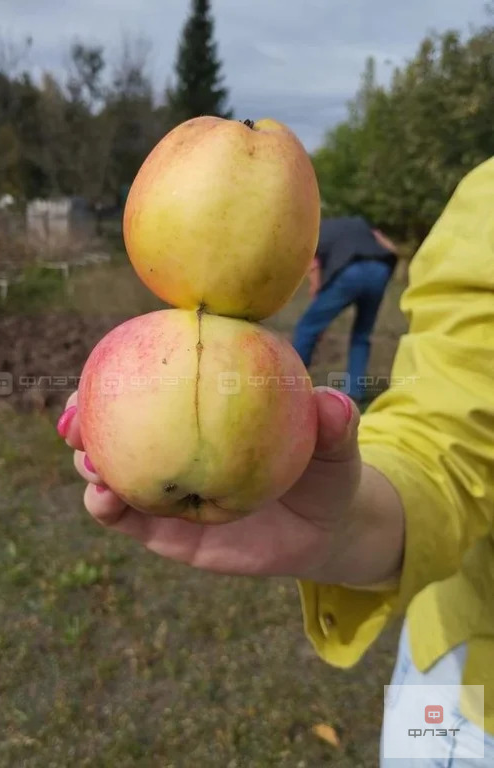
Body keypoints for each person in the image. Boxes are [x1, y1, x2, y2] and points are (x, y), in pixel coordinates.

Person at [57, 157, 494, 766]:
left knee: (315, 326)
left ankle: (316, 369)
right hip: (477, 703)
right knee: (355, 332)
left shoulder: (328, 232)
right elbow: (457, 438)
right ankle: (332, 375)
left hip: (466, 694)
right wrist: (345, 530)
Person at [292, 215, 398, 402]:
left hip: (350, 273)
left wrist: (317, 307)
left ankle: (292, 383)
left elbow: (314, 267)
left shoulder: (314, 232)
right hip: (380, 270)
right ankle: (355, 391)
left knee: (307, 327)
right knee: (362, 335)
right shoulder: (360, 222)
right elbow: (388, 246)